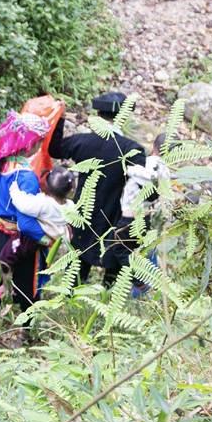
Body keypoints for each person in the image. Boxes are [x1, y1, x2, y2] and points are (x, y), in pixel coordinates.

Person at [53, 92, 145, 285]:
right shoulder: (132, 150)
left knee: (76, 270)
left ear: (97, 114)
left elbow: (54, 149)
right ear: (124, 116)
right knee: (113, 277)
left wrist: (59, 120)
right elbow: (144, 187)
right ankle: (108, 304)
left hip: (83, 216)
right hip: (114, 218)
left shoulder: (82, 142)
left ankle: (69, 304)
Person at [0, 112, 52, 343]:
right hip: (20, 241)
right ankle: (23, 334)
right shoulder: (26, 176)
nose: (39, 146)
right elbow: (26, 222)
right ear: (29, 144)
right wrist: (46, 238)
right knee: (26, 290)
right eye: (38, 142)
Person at [100, 133, 169, 291]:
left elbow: (150, 179)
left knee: (118, 249)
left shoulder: (148, 163)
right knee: (125, 251)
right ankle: (112, 288)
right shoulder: (166, 169)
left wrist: (131, 171)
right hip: (144, 218)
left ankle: (140, 283)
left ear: (152, 147)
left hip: (130, 219)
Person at [10, 167, 77, 247]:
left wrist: (15, 191)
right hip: (60, 242)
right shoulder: (71, 206)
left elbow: (23, 205)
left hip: (38, 239)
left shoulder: (44, 203)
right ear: (71, 190)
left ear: (47, 184)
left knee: (6, 255)